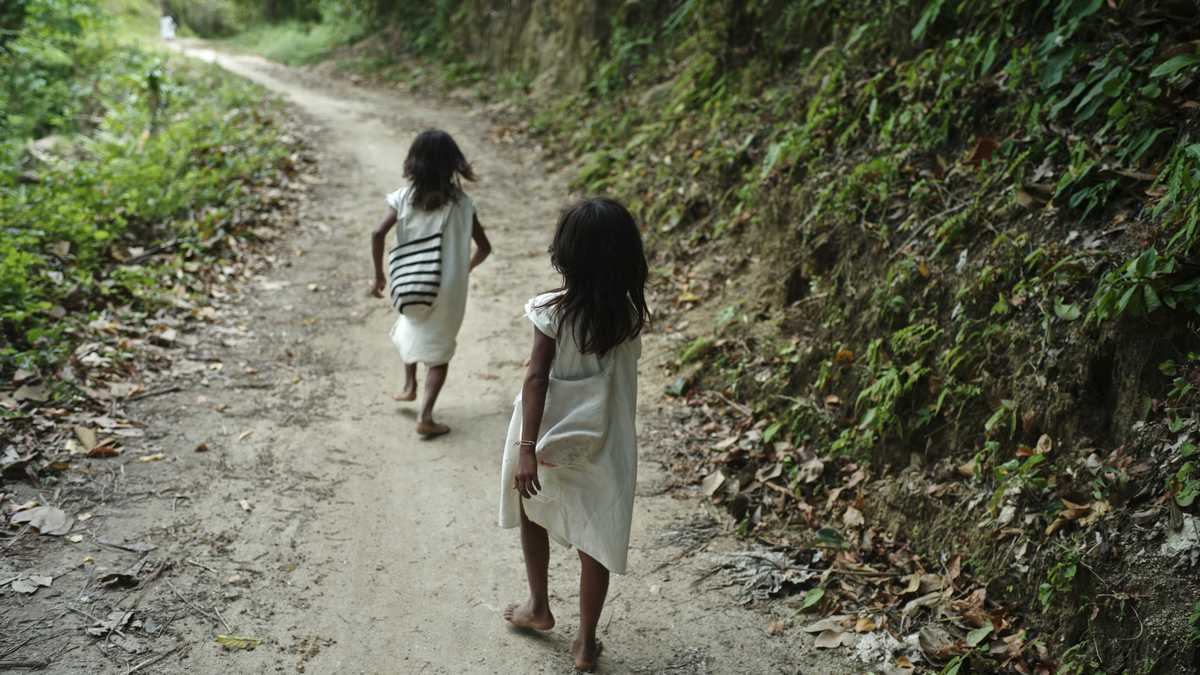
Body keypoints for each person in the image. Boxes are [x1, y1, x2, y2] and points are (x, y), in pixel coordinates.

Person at [498, 198, 648, 672]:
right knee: (595, 536)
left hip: (544, 437)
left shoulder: (550, 312)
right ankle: (585, 642)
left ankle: (538, 605)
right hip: (606, 444)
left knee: (532, 510)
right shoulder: (627, 317)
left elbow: (537, 378)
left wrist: (526, 449)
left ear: (566, 255)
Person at [370, 129, 491, 437]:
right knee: (438, 350)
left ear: (414, 162)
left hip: (410, 279)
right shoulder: (463, 204)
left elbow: (377, 233)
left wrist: (379, 276)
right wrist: (463, 270)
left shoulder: (402, 198)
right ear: (453, 164)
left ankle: (409, 384)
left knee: (411, 322)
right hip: (448, 288)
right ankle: (425, 414)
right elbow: (484, 247)